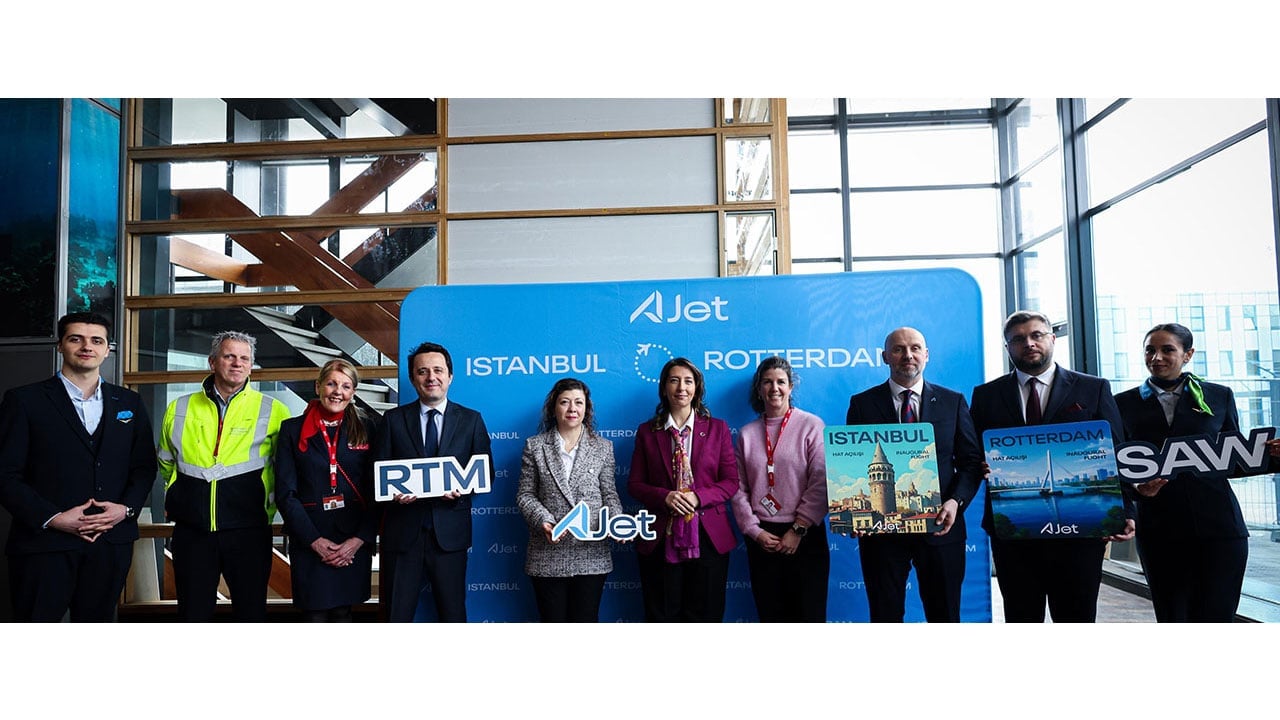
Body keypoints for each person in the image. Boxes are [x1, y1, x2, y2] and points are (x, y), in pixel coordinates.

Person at [969, 310, 1134, 623]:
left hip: (1081, 535)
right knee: (1021, 617)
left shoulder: (1093, 389)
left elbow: (1116, 453)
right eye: (1018, 339)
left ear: (1052, 339)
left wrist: (1126, 511)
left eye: (1036, 335)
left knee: (1076, 617)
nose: (1028, 343)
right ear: (1008, 348)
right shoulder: (986, 395)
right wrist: (983, 465)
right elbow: (972, 454)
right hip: (1013, 532)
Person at [0, 312, 157, 622]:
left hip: (110, 544)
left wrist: (124, 510)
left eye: (96, 340)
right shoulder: (24, 401)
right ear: (61, 345)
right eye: (76, 339)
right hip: (43, 545)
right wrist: (53, 518)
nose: (87, 346)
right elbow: (5, 474)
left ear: (107, 349)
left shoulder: (128, 403)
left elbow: (143, 468)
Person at [1114, 323, 1252, 622]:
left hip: (1220, 527)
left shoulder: (1218, 396)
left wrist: (1271, 455)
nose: (1157, 357)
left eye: (1167, 350)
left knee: (1218, 616)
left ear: (1188, 355)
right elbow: (1115, 467)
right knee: (1173, 617)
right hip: (1161, 529)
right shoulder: (1121, 403)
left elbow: (1235, 459)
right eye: (1150, 350)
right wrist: (1136, 491)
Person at [845, 327, 984, 622]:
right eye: (898, 349)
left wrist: (955, 502)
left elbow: (971, 462)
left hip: (940, 527)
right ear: (885, 357)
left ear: (926, 355)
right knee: (885, 615)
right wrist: (853, 514)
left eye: (915, 348)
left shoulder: (953, 401)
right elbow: (853, 463)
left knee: (944, 614)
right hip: (881, 535)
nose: (908, 355)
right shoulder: (862, 404)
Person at [157, 330, 291, 621]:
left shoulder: (274, 409)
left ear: (252, 365)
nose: (237, 363)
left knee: (251, 612)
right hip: (193, 532)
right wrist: (181, 498)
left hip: (249, 530)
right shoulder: (179, 408)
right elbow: (166, 462)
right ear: (212, 362)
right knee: (193, 613)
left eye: (245, 358)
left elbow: (286, 470)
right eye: (229, 356)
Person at [375, 341, 492, 622]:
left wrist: (462, 491)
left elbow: (486, 472)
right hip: (402, 535)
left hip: (449, 537)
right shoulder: (391, 420)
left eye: (438, 370)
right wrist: (392, 494)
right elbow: (375, 474)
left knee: (452, 616)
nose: (431, 377)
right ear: (413, 378)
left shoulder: (472, 420)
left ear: (450, 376)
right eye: (423, 371)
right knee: (396, 617)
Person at [626, 357, 739, 622]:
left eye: (688, 381)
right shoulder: (647, 432)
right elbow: (635, 485)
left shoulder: (717, 428)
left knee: (706, 615)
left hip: (709, 537)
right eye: (674, 380)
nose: (681, 388)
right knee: (663, 615)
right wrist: (665, 496)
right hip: (660, 537)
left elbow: (730, 482)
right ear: (664, 387)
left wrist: (697, 497)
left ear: (697, 388)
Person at [275, 359, 378, 621]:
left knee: (344, 613)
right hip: (311, 537)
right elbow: (286, 493)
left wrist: (358, 541)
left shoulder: (368, 428)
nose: (337, 391)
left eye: (345, 386)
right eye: (331, 383)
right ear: (318, 386)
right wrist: (315, 542)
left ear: (353, 392)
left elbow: (377, 490)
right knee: (315, 615)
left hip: (352, 541)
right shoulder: (291, 429)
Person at [731, 356, 829, 622]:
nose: (775, 388)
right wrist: (754, 531)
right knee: (771, 615)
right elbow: (738, 488)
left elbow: (821, 482)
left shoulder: (812, 425)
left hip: (805, 535)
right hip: (764, 538)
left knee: (809, 615)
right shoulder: (747, 434)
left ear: (791, 387)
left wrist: (798, 528)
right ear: (759, 389)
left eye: (781, 382)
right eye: (767, 382)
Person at [515, 378, 621, 622]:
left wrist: (617, 523)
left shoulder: (604, 447)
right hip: (547, 552)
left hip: (591, 553)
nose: (572, 409)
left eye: (578, 402)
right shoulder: (535, 446)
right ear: (554, 408)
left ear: (586, 408)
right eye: (565, 402)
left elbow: (610, 494)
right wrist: (543, 519)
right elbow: (525, 495)